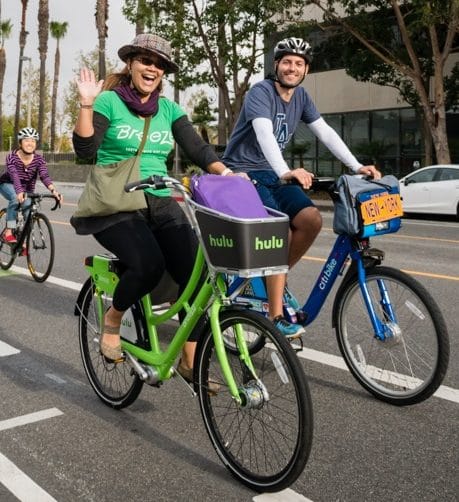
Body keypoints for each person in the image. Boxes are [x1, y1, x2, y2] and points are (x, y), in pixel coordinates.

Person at [71, 33, 232, 383]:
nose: (152, 68)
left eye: (159, 64)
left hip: (160, 198)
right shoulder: (109, 102)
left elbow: (198, 149)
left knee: (200, 274)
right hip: (117, 201)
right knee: (148, 264)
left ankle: (190, 358)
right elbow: (85, 151)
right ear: (131, 63)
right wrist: (86, 104)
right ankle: (114, 318)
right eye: (145, 60)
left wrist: (227, 174)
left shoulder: (170, 109)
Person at [223, 37, 381, 339]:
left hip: (273, 173)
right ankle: (275, 314)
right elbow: (264, 133)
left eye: (298, 63)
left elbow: (325, 132)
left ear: (306, 69)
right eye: (286, 62)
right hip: (242, 173)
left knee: (311, 220)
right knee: (279, 230)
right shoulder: (261, 92)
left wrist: (357, 166)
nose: (292, 68)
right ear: (276, 66)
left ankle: (274, 279)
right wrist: (286, 171)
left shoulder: (302, 97)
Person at [0, 127, 62, 246]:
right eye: (27, 140)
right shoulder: (12, 157)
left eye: (33, 141)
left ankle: (21, 242)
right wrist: (18, 191)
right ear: (20, 143)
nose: (30, 143)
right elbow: (14, 176)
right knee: (14, 197)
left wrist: (54, 191)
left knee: (29, 212)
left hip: (26, 189)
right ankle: (8, 231)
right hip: (7, 184)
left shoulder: (39, 160)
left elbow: (44, 176)